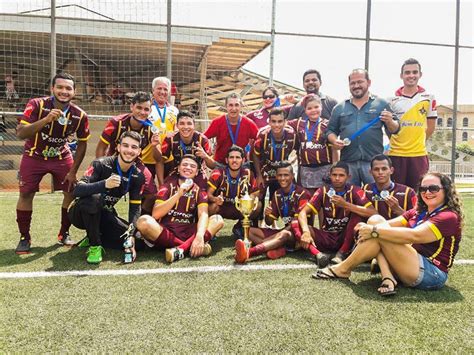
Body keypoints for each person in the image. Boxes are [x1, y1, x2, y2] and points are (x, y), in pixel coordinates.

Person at [314, 172, 463, 296]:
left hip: (431, 274)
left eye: (433, 188)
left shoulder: (448, 216)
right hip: (409, 263)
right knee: (375, 220)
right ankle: (387, 276)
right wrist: (367, 226)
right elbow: (383, 224)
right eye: (423, 188)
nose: (427, 192)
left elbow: (415, 236)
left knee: (379, 233)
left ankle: (344, 268)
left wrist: (372, 231)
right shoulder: (419, 211)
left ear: (446, 190)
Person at [15, 73, 90, 254]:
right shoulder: (36, 105)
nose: (64, 91)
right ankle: (24, 237)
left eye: (68, 88)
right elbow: (21, 133)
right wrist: (46, 119)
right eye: (60, 87)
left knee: (71, 193)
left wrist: (73, 171)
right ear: (52, 89)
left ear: (74, 92)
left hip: (61, 156)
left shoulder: (79, 115)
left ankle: (64, 233)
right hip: (34, 155)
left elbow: (82, 143)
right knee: (26, 194)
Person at [69, 131, 146, 264]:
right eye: (125, 145)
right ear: (118, 147)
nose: (129, 150)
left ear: (139, 151)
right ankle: (95, 245)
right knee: (94, 198)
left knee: (139, 242)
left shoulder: (138, 176)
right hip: (79, 213)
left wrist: (131, 234)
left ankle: (96, 234)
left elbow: (135, 208)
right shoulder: (101, 164)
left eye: (134, 147)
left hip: (104, 215)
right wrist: (104, 184)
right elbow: (77, 190)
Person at [136, 155, 224, 263]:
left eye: (192, 166)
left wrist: (200, 236)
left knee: (217, 219)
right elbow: (156, 214)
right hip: (167, 231)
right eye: (185, 164)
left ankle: (181, 250)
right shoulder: (167, 186)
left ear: (197, 172)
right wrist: (178, 194)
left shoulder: (200, 191)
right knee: (143, 221)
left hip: (188, 232)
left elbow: (203, 215)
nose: (188, 167)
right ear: (178, 168)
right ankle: (190, 247)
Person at [292, 161, 376, 267]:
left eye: (341, 175)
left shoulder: (355, 190)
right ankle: (318, 254)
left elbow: (373, 212)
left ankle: (341, 253)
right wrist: (306, 232)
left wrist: (346, 205)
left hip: (345, 237)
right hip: (326, 237)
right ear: (330, 175)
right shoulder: (323, 190)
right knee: (295, 223)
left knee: (358, 214)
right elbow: (303, 212)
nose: (337, 178)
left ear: (348, 177)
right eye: (334, 175)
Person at [327, 69, 400, 186]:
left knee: (376, 197)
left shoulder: (381, 104)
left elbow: (395, 129)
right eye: (353, 83)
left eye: (360, 82)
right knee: (351, 197)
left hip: (374, 164)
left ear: (369, 82)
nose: (356, 86)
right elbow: (330, 131)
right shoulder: (339, 108)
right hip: (348, 162)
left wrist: (390, 121)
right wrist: (334, 140)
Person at [235, 162, 311, 263]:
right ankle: (277, 248)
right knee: (249, 230)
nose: (282, 178)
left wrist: (274, 236)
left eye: (286, 175)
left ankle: (249, 252)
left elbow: (296, 222)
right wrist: (268, 214)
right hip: (284, 232)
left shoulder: (303, 193)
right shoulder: (277, 194)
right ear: (276, 176)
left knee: (284, 234)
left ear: (292, 176)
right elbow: (269, 222)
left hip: (299, 234)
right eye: (280, 175)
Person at [95, 91, 158, 214]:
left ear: (150, 111)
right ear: (132, 107)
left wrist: (156, 145)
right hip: (113, 161)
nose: (142, 112)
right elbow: (101, 147)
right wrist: (101, 168)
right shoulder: (116, 122)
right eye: (139, 107)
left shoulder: (151, 128)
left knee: (152, 194)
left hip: (135, 163)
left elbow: (158, 156)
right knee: (99, 195)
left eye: (146, 109)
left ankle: (139, 224)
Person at [363, 154, 418, 275]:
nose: (380, 172)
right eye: (376, 169)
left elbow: (417, 223)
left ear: (391, 170)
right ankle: (383, 259)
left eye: (384, 168)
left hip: (397, 238)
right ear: (370, 172)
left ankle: (379, 259)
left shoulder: (408, 192)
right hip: (374, 234)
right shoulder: (366, 189)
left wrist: (398, 209)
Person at [388, 58, 438, 189]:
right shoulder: (391, 100)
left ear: (420, 74)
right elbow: (389, 128)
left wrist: (417, 141)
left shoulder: (428, 97)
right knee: (398, 193)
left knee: (419, 193)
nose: (411, 76)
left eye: (415, 72)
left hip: (418, 154)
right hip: (396, 154)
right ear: (401, 75)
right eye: (407, 72)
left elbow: (431, 126)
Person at [207, 145, 261, 237]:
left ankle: (239, 227)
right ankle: (211, 230)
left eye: (237, 157)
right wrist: (215, 199)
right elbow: (208, 194)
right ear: (227, 160)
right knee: (211, 207)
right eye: (231, 157)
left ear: (243, 160)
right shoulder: (218, 173)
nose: (234, 160)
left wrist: (249, 199)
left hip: (239, 208)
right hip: (222, 207)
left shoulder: (248, 173)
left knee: (258, 205)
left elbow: (256, 192)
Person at [288, 94, 336, 194]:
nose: (313, 110)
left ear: (321, 108)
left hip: (325, 167)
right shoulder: (298, 123)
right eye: (309, 108)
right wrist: (295, 102)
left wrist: (335, 166)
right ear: (305, 110)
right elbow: (281, 123)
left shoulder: (328, 124)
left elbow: (335, 148)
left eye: (316, 107)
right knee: (308, 198)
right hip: (306, 169)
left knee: (324, 197)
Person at [155, 110, 215, 189]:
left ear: (194, 125)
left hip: (198, 174)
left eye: (189, 123)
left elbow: (213, 166)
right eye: (182, 123)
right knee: (164, 193)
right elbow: (159, 162)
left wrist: (205, 156)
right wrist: (161, 185)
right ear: (177, 125)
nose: (186, 127)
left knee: (205, 196)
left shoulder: (202, 139)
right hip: (177, 172)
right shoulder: (170, 139)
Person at [252, 108, 297, 206]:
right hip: (265, 169)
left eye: (280, 121)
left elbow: (299, 149)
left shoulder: (291, 134)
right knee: (259, 196)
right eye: (273, 121)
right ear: (269, 122)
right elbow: (255, 154)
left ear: (285, 122)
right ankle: (259, 220)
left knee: (287, 196)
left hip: (282, 170)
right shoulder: (262, 134)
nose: (277, 125)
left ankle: (280, 219)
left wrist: (292, 161)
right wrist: (259, 175)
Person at [204, 93, 258, 165]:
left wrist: (252, 154)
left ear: (241, 106)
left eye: (236, 105)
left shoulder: (249, 123)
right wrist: (207, 153)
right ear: (226, 106)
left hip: (241, 165)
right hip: (220, 164)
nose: (234, 108)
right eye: (230, 105)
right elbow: (203, 138)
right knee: (215, 176)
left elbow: (260, 140)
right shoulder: (217, 122)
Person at [141, 77, 179, 177]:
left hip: (167, 159)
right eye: (159, 88)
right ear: (153, 90)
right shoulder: (146, 109)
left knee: (166, 190)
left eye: (165, 89)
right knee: (147, 191)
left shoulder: (174, 110)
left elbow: (177, 129)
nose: (162, 92)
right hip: (146, 159)